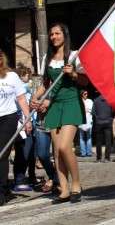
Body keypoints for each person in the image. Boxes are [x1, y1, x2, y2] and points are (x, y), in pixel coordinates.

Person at [30, 24, 88, 204]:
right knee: (56, 151)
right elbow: (46, 84)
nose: (54, 36)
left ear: (64, 35)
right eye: (52, 34)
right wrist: (35, 97)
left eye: (57, 33)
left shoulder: (74, 55)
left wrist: (74, 74)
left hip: (71, 103)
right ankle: (64, 189)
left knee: (64, 147)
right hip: (55, 105)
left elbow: (86, 81)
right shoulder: (47, 57)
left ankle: (76, 184)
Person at [0, 51, 33, 206]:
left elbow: (21, 98)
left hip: (8, 117)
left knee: (2, 153)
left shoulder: (11, 76)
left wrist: (27, 120)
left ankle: (1, 189)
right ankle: (5, 186)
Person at [92, 94, 114, 162]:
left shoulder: (96, 100)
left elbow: (93, 112)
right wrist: (110, 118)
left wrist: (97, 118)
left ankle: (99, 158)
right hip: (108, 122)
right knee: (108, 141)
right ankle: (107, 158)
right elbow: (113, 111)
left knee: (99, 141)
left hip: (99, 122)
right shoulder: (110, 100)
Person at [78, 90, 93, 157]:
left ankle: (89, 152)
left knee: (89, 137)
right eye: (85, 94)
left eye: (87, 93)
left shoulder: (90, 101)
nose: (86, 95)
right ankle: (83, 153)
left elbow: (92, 110)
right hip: (81, 122)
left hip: (89, 121)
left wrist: (86, 110)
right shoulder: (79, 101)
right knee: (81, 138)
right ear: (82, 94)